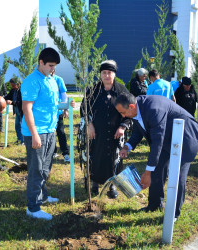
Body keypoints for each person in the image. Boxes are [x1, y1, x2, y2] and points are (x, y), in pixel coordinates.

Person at [115, 93, 198, 220]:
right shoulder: (137, 109)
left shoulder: (153, 109)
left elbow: (157, 142)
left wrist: (147, 173)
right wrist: (127, 146)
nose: (122, 116)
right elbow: (139, 131)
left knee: (177, 176)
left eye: (122, 112)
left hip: (185, 136)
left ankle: (173, 214)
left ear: (131, 106)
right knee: (157, 170)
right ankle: (154, 205)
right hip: (167, 138)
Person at [21, 48, 75, 221]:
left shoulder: (51, 80)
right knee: (36, 169)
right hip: (36, 132)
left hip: (50, 130)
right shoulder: (31, 81)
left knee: (46, 167)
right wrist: (35, 134)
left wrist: (66, 106)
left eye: (55, 66)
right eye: (50, 65)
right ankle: (33, 207)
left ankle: (42, 196)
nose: (53, 69)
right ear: (41, 62)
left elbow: (53, 105)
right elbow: (26, 109)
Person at [80, 60, 132, 198]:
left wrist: (122, 126)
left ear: (114, 74)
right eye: (104, 73)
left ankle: (112, 185)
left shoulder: (121, 91)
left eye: (109, 73)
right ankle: (95, 183)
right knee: (96, 156)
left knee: (114, 159)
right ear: (101, 75)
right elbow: (83, 108)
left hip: (116, 133)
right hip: (96, 132)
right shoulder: (93, 90)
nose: (107, 75)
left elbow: (131, 110)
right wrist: (89, 124)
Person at [51, 69, 70, 163]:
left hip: (58, 112)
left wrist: (66, 109)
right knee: (50, 134)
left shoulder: (58, 80)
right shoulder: (43, 80)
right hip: (47, 113)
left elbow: (64, 96)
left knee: (61, 132)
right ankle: (53, 152)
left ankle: (66, 153)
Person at [5, 78, 23, 145]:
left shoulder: (22, 90)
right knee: (17, 126)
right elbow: (7, 97)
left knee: (22, 126)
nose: (12, 87)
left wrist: (12, 102)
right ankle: (19, 139)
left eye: (13, 85)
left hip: (22, 111)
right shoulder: (13, 90)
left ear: (18, 84)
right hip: (17, 111)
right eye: (11, 85)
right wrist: (1, 98)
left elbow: (22, 102)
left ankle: (23, 141)